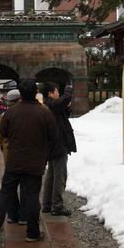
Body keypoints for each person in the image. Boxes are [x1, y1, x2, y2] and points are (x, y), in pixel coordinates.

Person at [0, 79, 56, 242]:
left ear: (20, 93)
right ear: (35, 92)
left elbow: (4, 133)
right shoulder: (44, 112)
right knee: (31, 195)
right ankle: (32, 232)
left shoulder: (11, 113)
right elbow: (53, 136)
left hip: (14, 160)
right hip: (35, 161)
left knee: (5, 193)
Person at [41, 82, 77, 216]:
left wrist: (66, 108)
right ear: (51, 93)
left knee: (51, 175)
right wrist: (68, 89)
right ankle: (57, 205)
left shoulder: (51, 105)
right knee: (59, 176)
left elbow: (62, 116)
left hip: (54, 145)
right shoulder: (50, 104)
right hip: (58, 145)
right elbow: (64, 99)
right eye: (57, 91)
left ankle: (47, 204)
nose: (58, 94)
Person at [0, 89, 23, 224]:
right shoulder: (26, 113)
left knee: (9, 186)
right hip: (25, 154)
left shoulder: (4, 115)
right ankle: (24, 215)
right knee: (26, 184)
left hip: (9, 154)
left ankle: (12, 214)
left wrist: (4, 147)